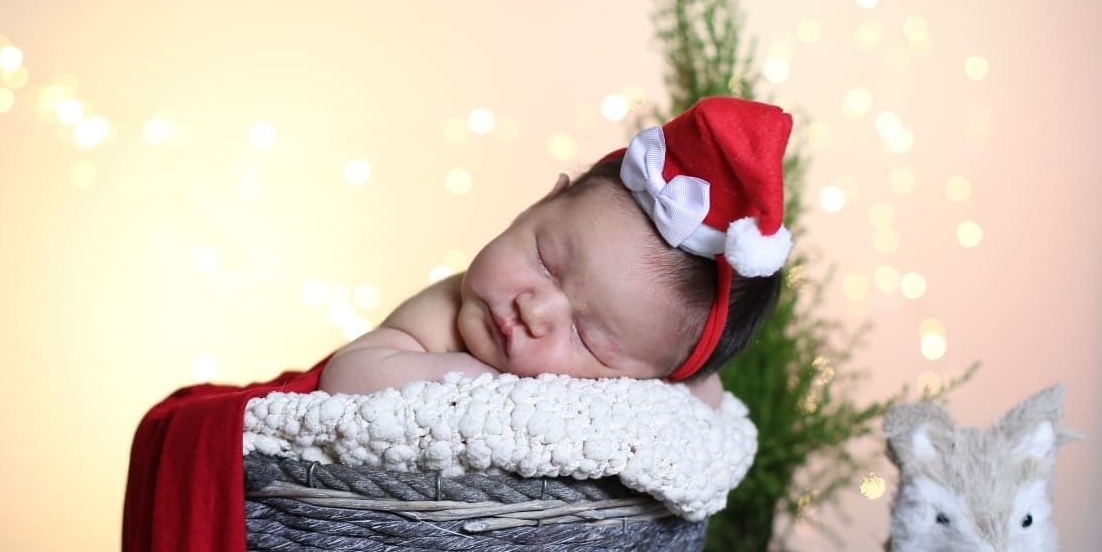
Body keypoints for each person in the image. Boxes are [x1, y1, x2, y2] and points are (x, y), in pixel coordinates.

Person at [318, 96, 795, 406]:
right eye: (546, 262)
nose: (535, 308)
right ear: (541, 203)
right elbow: (348, 375)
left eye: (585, 337)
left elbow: (706, 396)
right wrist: (487, 382)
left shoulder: (645, 381)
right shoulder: (449, 310)